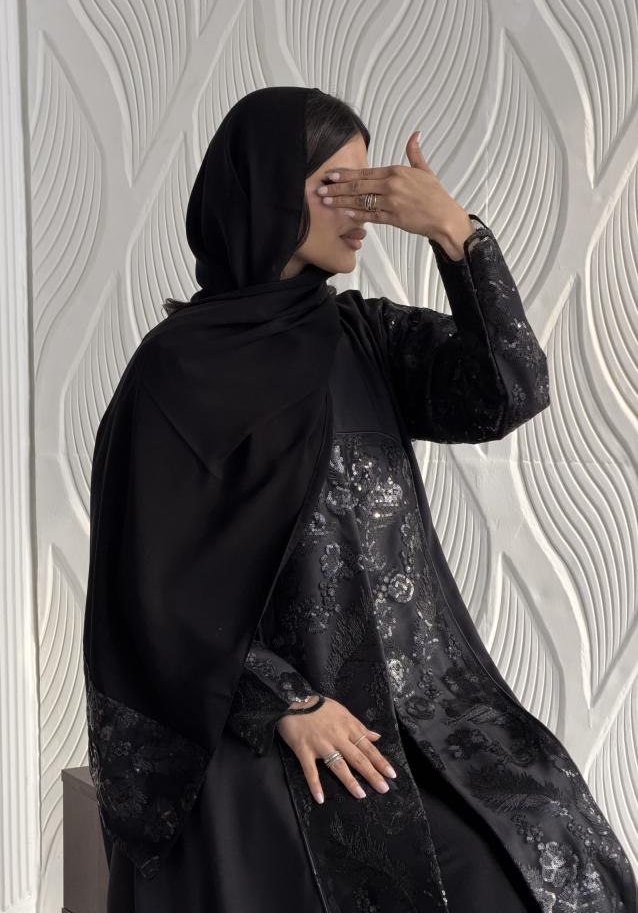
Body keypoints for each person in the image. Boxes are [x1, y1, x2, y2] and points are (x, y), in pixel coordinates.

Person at [83, 86, 638, 913]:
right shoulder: (175, 372)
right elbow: (150, 582)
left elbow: (508, 391)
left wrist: (457, 233)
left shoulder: (364, 338)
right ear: (268, 193)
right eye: (334, 186)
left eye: (371, 185)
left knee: (551, 835)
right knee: (448, 876)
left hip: (416, 702)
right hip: (256, 713)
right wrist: (285, 702)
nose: (363, 210)